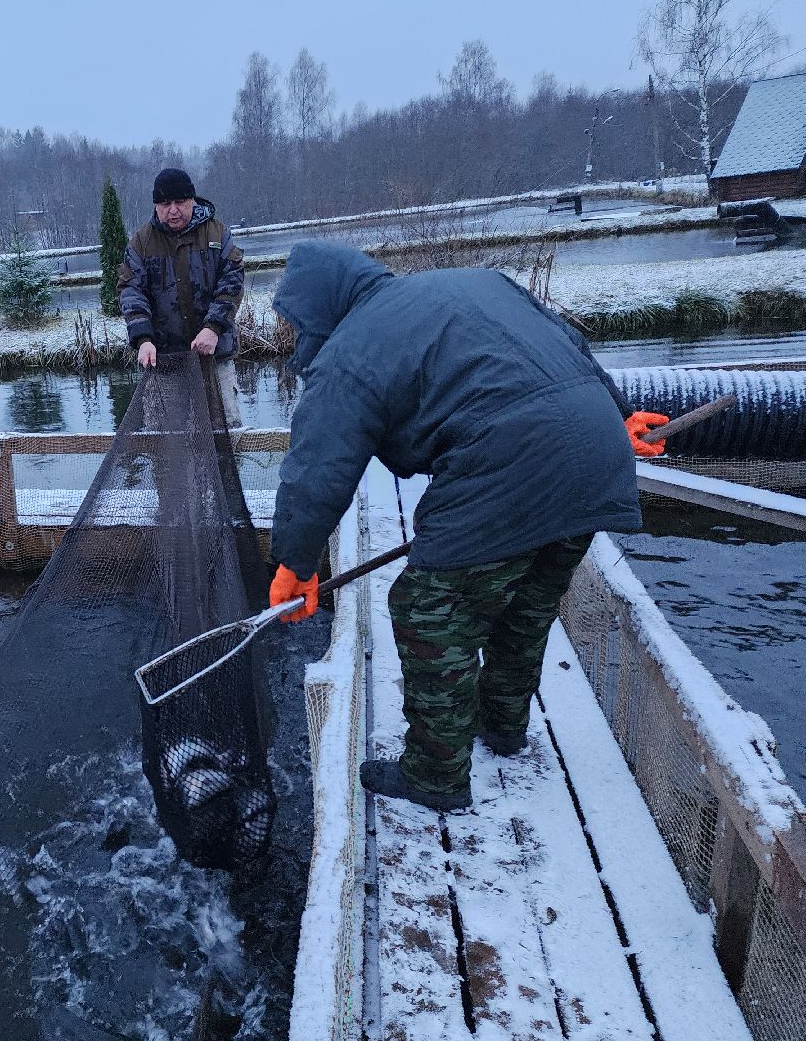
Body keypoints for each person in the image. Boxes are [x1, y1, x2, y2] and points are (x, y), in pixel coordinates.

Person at [266, 241, 668, 812]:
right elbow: (569, 344)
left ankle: (435, 774)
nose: (298, 334)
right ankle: (503, 725)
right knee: (528, 600)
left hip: (509, 461)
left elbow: (317, 469)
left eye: (298, 322)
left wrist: (295, 562)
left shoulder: (349, 350)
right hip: (597, 452)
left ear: (319, 305)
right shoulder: (478, 282)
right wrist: (620, 413)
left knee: (428, 608)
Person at [118, 168, 246, 426]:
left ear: (192, 201)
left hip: (215, 356)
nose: (173, 210)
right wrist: (143, 339)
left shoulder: (217, 233)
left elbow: (231, 283)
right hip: (164, 362)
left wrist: (213, 328)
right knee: (165, 441)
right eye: (165, 204)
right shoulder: (141, 243)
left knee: (226, 432)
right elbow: (132, 292)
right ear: (156, 206)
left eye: (180, 202)